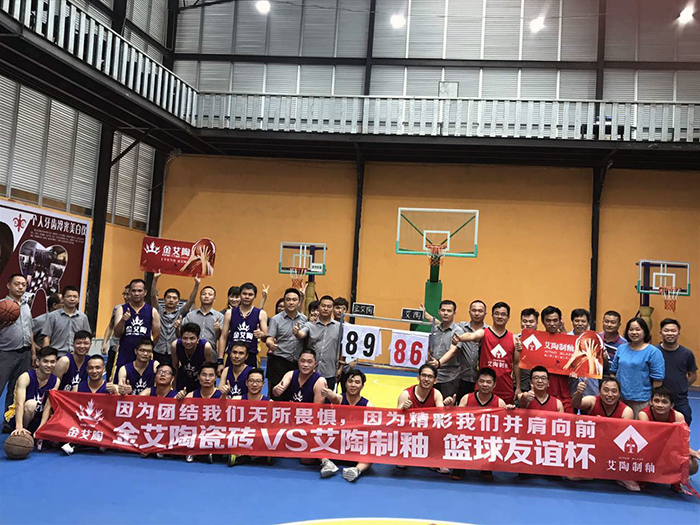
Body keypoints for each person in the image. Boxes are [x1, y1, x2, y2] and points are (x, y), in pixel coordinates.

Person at [571, 376, 639, 491]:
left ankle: (620, 475)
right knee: (571, 476)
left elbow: (622, 437)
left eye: (614, 391)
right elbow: (576, 404)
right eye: (606, 390)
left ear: (619, 394)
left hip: (614, 448)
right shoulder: (593, 401)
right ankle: (592, 472)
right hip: (593, 445)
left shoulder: (626, 411)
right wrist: (579, 393)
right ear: (599, 391)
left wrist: (603, 426)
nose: (610, 394)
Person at [451, 302, 521, 404]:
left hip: (505, 389)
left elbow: (516, 364)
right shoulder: (484, 332)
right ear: (492, 315)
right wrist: (460, 338)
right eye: (496, 313)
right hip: (483, 388)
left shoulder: (513, 339)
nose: (499, 316)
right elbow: (472, 336)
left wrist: (518, 387)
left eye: (503, 314)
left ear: (508, 317)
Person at [638, 387, 699, 488]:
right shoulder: (644, 415)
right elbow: (648, 441)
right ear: (650, 402)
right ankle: (644, 477)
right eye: (656, 401)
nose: (660, 405)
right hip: (649, 451)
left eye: (664, 402)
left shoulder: (678, 417)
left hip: (670, 451)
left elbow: (681, 444)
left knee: (692, 465)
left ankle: (676, 479)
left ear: (672, 405)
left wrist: (694, 453)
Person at [319, 369, 373, 482]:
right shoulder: (340, 399)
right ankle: (327, 463)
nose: (353, 385)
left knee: (372, 449)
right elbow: (334, 397)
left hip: (356, 445)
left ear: (362, 386)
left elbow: (372, 430)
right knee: (316, 439)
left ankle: (356, 470)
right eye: (350, 381)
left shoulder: (368, 405)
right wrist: (329, 394)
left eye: (357, 382)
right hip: (337, 444)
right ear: (345, 383)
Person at [609, 317, 665, 417]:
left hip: (642, 401)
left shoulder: (653, 352)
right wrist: (614, 392)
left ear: (645, 332)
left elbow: (658, 380)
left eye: (638, 329)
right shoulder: (621, 348)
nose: (634, 332)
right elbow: (613, 371)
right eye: (631, 329)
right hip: (620, 399)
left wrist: (653, 400)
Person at [0, 274, 35, 426]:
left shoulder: (26, 306)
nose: (20, 287)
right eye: (17, 284)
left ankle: (10, 421)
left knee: (16, 390)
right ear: (8, 285)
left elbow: (30, 330)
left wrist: (33, 352)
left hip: (25, 353)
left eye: (23, 284)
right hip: (5, 353)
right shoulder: (2, 306)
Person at [6, 346, 58, 436]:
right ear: (37, 362)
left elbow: (47, 407)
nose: (49, 365)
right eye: (45, 361)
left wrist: (41, 428)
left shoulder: (56, 381)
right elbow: (19, 404)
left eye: (52, 362)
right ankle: (22, 434)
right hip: (18, 416)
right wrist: (19, 427)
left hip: (38, 417)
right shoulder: (25, 377)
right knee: (31, 404)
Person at [113, 279, 161, 376]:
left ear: (145, 292)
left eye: (139, 291)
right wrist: (123, 320)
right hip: (125, 353)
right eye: (134, 291)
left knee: (144, 382)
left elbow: (157, 335)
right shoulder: (121, 309)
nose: (136, 293)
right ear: (130, 292)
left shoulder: (152, 311)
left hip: (145, 357)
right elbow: (117, 334)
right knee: (120, 381)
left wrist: (147, 349)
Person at [266, 288, 307, 400]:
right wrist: (270, 344)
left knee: (295, 396)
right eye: (288, 300)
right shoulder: (276, 319)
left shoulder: (304, 319)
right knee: (277, 395)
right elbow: (270, 338)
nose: (291, 302)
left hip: (297, 364)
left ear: (299, 302)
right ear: (284, 302)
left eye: (294, 300)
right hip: (279, 362)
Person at [150, 272, 199, 366]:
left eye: (174, 298)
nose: (171, 300)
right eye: (168, 297)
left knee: (173, 371)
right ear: (164, 299)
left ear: (178, 301)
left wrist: (197, 284)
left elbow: (191, 300)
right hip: (158, 349)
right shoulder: (158, 311)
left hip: (173, 350)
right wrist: (155, 279)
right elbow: (153, 296)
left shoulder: (181, 313)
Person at [294, 295, 341, 390]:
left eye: (329, 306)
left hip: (329, 372)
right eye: (323, 306)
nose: (326, 308)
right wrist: (297, 333)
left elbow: (343, 348)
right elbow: (302, 334)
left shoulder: (340, 327)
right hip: (310, 372)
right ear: (319, 307)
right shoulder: (310, 325)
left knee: (327, 398)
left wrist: (341, 368)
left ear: (332, 308)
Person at [219, 282, 268, 370]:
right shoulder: (229, 313)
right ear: (240, 295)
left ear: (255, 296)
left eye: (250, 294)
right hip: (232, 355)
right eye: (244, 294)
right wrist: (220, 360)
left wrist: (261, 334)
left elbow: (266, 337)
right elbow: (223, 337)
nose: (247, 297)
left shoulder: (261, 314)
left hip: (251, 355)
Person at [657, 318, 697, 425]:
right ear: (660, 332)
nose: (670, 333)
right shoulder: (654, 352)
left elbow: (693, 375)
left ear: (678, 333)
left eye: (673, 331)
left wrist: (681, 386)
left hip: (680, 400)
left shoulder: (687, 354)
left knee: (683, 426)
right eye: (666, 330)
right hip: (659, 399)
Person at [425, 300, 463, 400]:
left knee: (447, 406)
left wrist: (439, 363)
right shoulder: (434, 329)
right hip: (433, 376)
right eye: (443, 310)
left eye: (449, 311)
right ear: (439, 312)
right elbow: (430, 348)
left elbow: (453, 351)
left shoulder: (458, 331)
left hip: (449, 378)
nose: (445, 313)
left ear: (454, 313)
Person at [539, 306, 574, 413]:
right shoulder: (537, 340)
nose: (552, 323)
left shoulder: (568, 341)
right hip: (543, 393)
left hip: (565, 393)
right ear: (543, 322)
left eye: (555, 320)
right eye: (548, 320)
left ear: (560, 321)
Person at [40, 285, 90, 357]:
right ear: (63, 298)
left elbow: (87, 338)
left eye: (75, 297)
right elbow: (47, 338)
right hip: (57, 355)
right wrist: (46, 356)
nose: (72, 299)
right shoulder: (52, 316)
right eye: (69, 296)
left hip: (76, 356)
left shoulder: (83, 317)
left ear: (78, 299)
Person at [565, 308, 601, 398]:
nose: (580, 324)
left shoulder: (596, 338)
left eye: (583, 321)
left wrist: (603, 356)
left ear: (588, 323)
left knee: (591, 403)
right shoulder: (565, 338)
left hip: (590, 381)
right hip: (570, 381)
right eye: (577, 321)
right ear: (572, 321)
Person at [457, 299, 487, 400]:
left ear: (485, 314)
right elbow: (446, 327)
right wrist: (428, 317)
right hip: (461, 377)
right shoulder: (460, 327)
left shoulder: (489, 331)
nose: (477, 313)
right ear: (469, 312)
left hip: (482, 380)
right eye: (474, 310)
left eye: (480, 311)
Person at [182, 286, 224, 359]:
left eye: (210, 294)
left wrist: (218, 330)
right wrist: (177, 328)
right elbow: (181, 335)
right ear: (200, 297)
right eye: (204, 294)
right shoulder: (190, 315)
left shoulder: (219, 316)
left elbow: (221, 338)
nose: (206, 296)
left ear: (214, 299)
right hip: (191, 354)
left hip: (211, 354)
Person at [171, 322, 214, 393]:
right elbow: (175, 367)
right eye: (185, 338)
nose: (188, 342)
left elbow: (208, 369)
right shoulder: (175, 345)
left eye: (192, 338)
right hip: (183, 376)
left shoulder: (206, 346)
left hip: (199, 379)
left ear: (198, 339)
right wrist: (174, 386)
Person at [102, 285, 130, 379]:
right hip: (115, 347)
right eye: (124, 294)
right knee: (111, 375)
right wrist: (104, 342)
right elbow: (110, 326)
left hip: (128, 349)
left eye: (128, 294)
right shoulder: (118, 308)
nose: (125, 297)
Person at [518, 308, 539, 392]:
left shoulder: (543, 340)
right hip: (520, 385)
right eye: (524, 321)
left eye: (531, 321)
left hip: (539, 385)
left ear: (537, 323)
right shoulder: (515, 339)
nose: (527, 324)